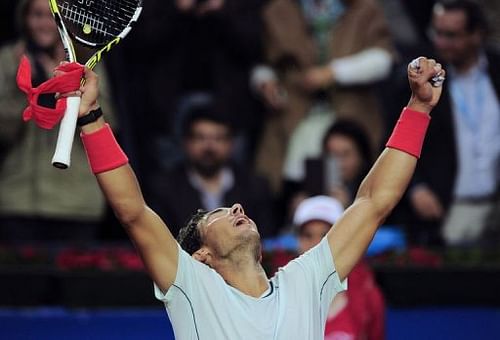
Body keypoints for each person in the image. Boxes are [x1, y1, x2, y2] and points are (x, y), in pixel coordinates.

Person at [55, 56, 443, 339]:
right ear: (201, 255)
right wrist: (91, 119)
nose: (238, 207)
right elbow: (133, 212)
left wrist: (419, 107)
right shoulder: (193, 287)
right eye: (220, 213)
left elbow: (374, 202)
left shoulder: (306, 281)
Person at [0, 0, 115, 241]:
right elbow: (4, 131)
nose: (44, 24)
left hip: (77, 202)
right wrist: (30, 87)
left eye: (51, 16)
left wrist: (72, 93)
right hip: (19, 200)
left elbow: (108, 126)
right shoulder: (9, 60)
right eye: (36, 15)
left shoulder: (86, 64)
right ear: (24, 19)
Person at [252, 0, 395, 192]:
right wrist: (265, 81)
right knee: (289, 186)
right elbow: (263, 61)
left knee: (357, 185)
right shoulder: (279, 10)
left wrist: (333, 72)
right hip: (293, 114)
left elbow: (383, 60)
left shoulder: (363, 8)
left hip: (350, 111)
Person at [406, 0, 500, 246]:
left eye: (451, 35)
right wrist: (416, 186)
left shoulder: (497, 70)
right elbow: (400, 135)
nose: (441, 42)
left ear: (476, 35)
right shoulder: (423, 80)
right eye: (437, 33)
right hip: (451, 205)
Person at [147, 99, 276, 238]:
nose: (209, 147)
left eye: (218, 138)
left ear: (231, 144)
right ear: (186, 142)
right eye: (200, 138)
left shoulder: (255, 187)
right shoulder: (164, 188)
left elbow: (266, 240)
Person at [293, 196, 384, 340]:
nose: (316, 244)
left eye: (325, 235)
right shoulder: (280, 298)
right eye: (307, 235)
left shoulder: (369, 296)